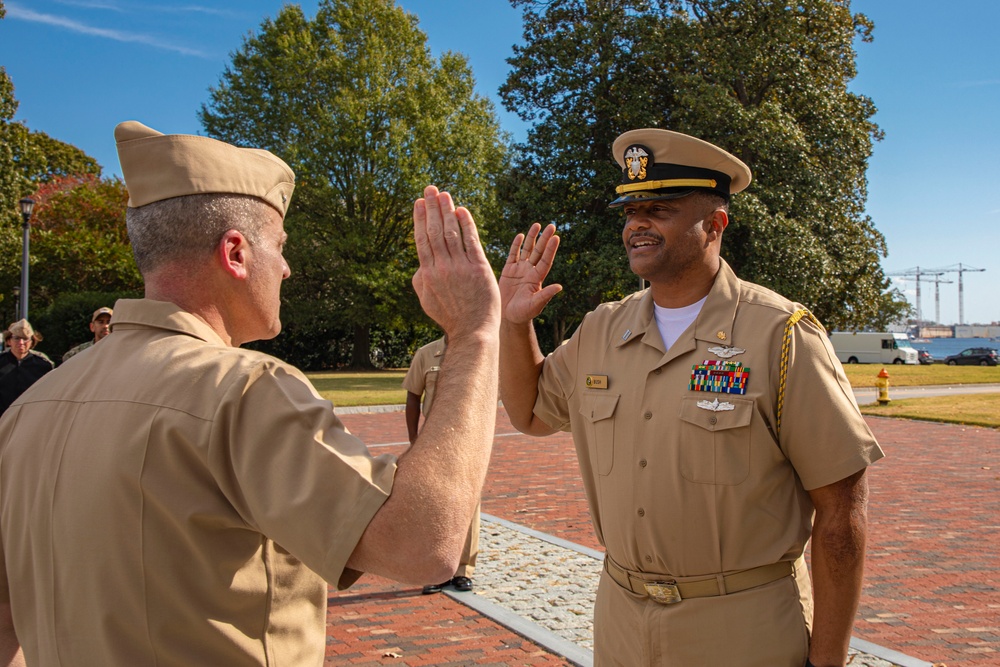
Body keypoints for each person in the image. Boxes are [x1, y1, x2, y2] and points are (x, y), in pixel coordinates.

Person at [0, 121, 501, 666]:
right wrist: (474, 331)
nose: (286, 267)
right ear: (236, 253)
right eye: (280, 246)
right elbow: (424, 544)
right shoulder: (244, 390)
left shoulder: (27, 411)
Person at [498, 128, 884, 667]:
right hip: (622, 619)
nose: (636, 224)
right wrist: (513, 325)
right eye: (630, 211)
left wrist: (828, 661)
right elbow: (530, 413)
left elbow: (842, 512)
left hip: (742, 625)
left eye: (660, 208)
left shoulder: (780, 334)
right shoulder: (601, 330)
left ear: (715, 224)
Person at [402, 335, 480, 594]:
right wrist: (414, 438)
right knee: (433, 503)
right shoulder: (426, 354)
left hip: (468, 438)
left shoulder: (479, 351)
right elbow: (413, 396)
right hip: (432, 438)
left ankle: (463, 570)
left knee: (469, 503)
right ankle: (437, 569)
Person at [0, 319, 54, 415]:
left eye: (25, 339)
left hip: (31, 417)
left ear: (32, 342)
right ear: (8, 341)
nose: (21, 343)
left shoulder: (43, 365)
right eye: (16, 338)